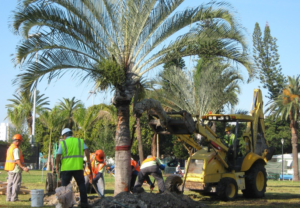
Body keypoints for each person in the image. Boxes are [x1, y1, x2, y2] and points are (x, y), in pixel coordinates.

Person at [55, 128, 91, 208]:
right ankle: (84, 203)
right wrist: (88, 161)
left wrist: (57, 165)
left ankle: (66, 204)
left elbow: (58, 155)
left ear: (65, 135)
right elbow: (87, 151)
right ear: (71, 134)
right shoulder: (79, 141)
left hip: (66, 169)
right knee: (81, 185)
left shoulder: (63, 143)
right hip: (78, 167)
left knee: (65, 187)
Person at [5, 134, 29, 202]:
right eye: (20, 141)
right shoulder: (15, 149)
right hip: (15, 169)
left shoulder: (10, 148)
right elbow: (17, 160)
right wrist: (23, 167)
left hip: (10, 168)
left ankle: (8, 198)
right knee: (16, 184)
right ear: (17, 141)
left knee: (10, 183)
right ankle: (14, 198)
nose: (20, 143)